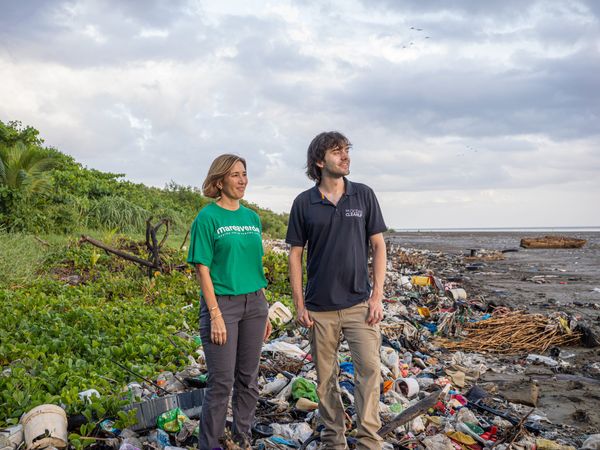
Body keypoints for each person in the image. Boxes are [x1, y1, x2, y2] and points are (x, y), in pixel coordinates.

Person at [286, 132, 387, 450]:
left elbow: (379, 246)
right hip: (319, 309)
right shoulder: (304, 202)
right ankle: (334, 438)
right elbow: (295, 254)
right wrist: (299, 304)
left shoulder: (363, 195)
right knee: (325, 378)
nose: (345, 156)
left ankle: (369, 438)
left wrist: (377, 297)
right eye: (336, 151)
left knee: (369, 370)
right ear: (319, 161)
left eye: (346, 150)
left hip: (359, 304)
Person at [187, 154, 271, 450]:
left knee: (249, 379)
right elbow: (202, 268)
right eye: (235, 174)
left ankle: (241, 437)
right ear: (219, 181)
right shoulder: (208, 217)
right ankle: (209, 444)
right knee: (221, 382)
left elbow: (252, 266)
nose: (242, 180)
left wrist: (265, 310)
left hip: (255, 304)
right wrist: (215, 314)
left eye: (244, 174)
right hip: (222, 304)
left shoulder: (252, 218)